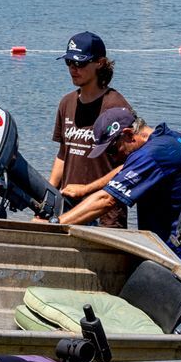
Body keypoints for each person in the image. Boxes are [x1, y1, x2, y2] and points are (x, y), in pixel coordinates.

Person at [58, 106, 181, 244]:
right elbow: (127, 168)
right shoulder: (173, 138)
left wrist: (55, 224)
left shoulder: (150, 154)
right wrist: (86, 189)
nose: (113, 158)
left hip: (174, 249)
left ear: (128, 134)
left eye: (112, 150)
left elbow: (107, 200)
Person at [49, 31, 130, 228]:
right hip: (69, 208)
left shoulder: (116, 107)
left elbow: (128, 166)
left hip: (105, 213)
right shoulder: (66, 103)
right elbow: (62, 155)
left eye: (80, 63)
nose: (73, 69)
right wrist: (49, 196)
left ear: (100, 63)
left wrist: (86, 189)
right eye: (69, 63)